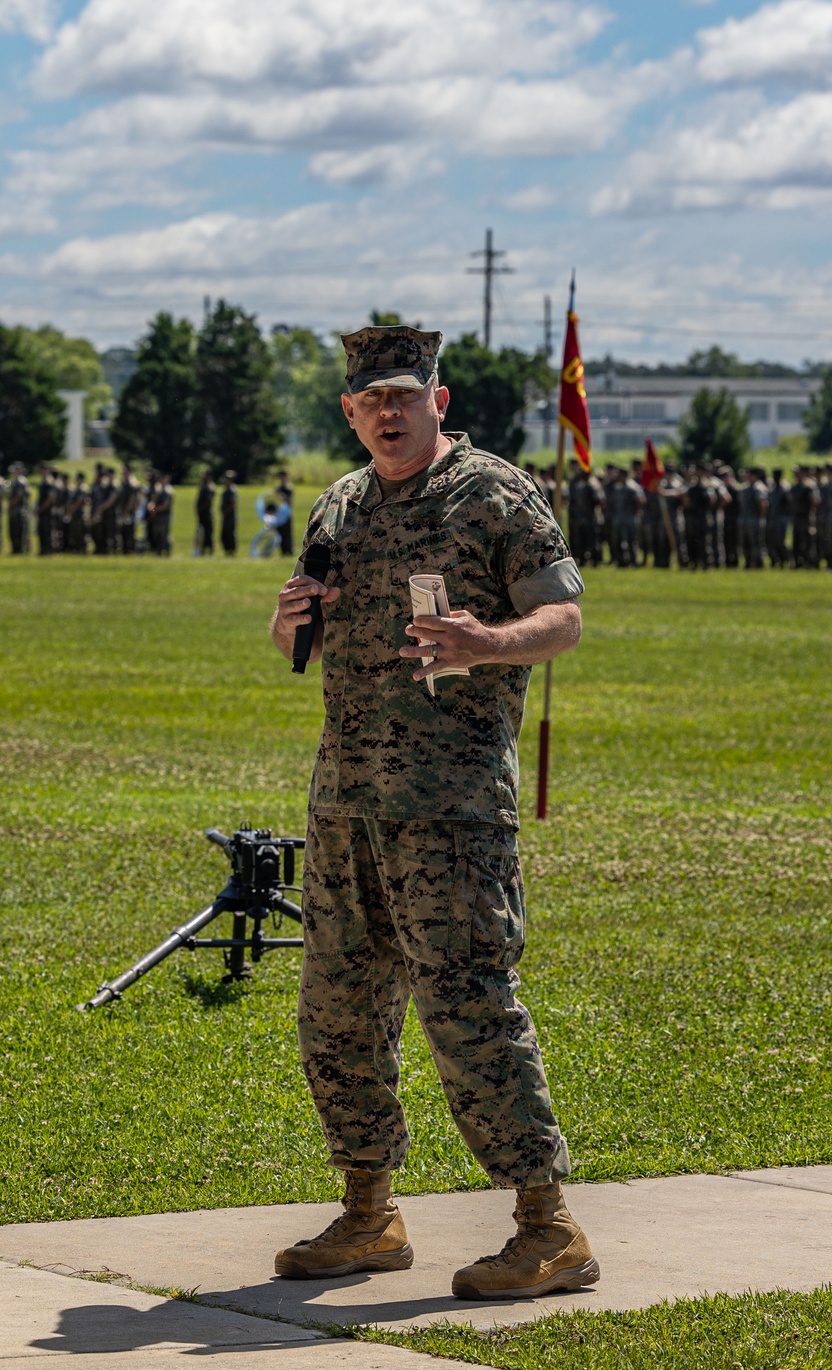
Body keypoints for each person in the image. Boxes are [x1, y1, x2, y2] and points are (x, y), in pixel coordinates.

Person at [269, 324, 596, 1301]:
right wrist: (290, 627)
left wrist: (486, 640)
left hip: (450, 810)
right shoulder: (339, 504)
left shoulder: (491, 493)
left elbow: (565, 617)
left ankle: (549, 1228)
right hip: (347, 807)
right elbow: (315, 634)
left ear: (436, 403)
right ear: (349, 411)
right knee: (335, 1016)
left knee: (468, 1009)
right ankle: (368, 1213)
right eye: (371, 400)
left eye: (404, 396)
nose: (388, 412)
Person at [6, 466, 30, 555]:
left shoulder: (20, 482)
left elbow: (18, 496)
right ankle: (17, 549)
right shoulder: (16, 482)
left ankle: (20, 550)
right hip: (16, 511)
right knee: (14, 531)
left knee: (18, 531)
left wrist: (10, 505)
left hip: (19, 511)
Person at [274, 470, 294, 556]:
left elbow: (289, 501)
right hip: (279, 514)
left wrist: (281, 496)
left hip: (286, 514)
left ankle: (289, 550)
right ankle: (282, 551)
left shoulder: (288, 488)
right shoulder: (277, 489)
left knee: (287, 533)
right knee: (280, 533)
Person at [195, 470, 216, 555]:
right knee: (201, 533)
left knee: (208, 534)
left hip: (207, 514)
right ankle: (202, 550)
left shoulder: (210, 487)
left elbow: (208, 501)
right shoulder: (202, 486)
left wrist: (200, 509)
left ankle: (210, 551)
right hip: (202, 514)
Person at [220, 471, 238, 556]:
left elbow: (232, 504)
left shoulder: (232, 490)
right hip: (225, 516)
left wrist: (225, 512)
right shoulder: (225, 491)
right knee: (224, 535)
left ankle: (231, 551)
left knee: (230, 534)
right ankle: (227, 551)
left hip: (230, 517)